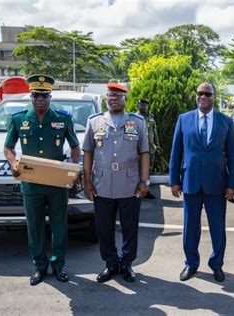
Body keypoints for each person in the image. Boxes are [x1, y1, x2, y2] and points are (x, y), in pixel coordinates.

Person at [4, 74, 80, 286]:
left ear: (50, 96)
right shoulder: (19, 119)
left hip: (56, 184)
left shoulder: (63, 119)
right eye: (36, 95)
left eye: (44, 95)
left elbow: (75, 147)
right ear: (31, 95)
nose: (40, 99)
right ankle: (39, 266)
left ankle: (58, 265)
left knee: (59, 226)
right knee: (35, 227)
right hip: (31, 184)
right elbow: (8, 147)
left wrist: (74, 169)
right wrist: (13, 163)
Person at [169, 82, 234, 282]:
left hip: (216, 184)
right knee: (190, 227)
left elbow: (232, 157)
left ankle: (217, 265)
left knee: (217, 227)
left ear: (214, 96)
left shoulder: (225, 121)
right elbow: (176, 153)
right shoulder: (184, 119)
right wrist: (174, 180)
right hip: (190, 183)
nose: (203, 97)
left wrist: (232, 184)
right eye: (200, 93)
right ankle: (191, 264)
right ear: (196, 96)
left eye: (207, 93)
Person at [82, 82, 149, 283]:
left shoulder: (137, 122)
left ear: (125, 99)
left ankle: (127, 264)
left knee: (130, 228)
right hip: (102, 185)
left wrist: (144, 181)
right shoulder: (94, 122)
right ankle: (110, 264)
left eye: (118, 96)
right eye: (110, 95)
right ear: (105, 98)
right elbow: (88, 153)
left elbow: (144, 153)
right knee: (104, 228)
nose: (113, 99)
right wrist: (87, 181)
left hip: (130, 185)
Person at [137, 99, 160, 199]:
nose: (144, 107)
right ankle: (136, 190)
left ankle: (146, 190)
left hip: (149, 149)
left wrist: (157, 145)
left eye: (145, 106)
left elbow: (155, 133)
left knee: (148, 170)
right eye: (142, 105)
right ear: (138, 106)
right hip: (137, 149)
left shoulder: (151, 118)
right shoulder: (134, 118)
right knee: (137, 169)